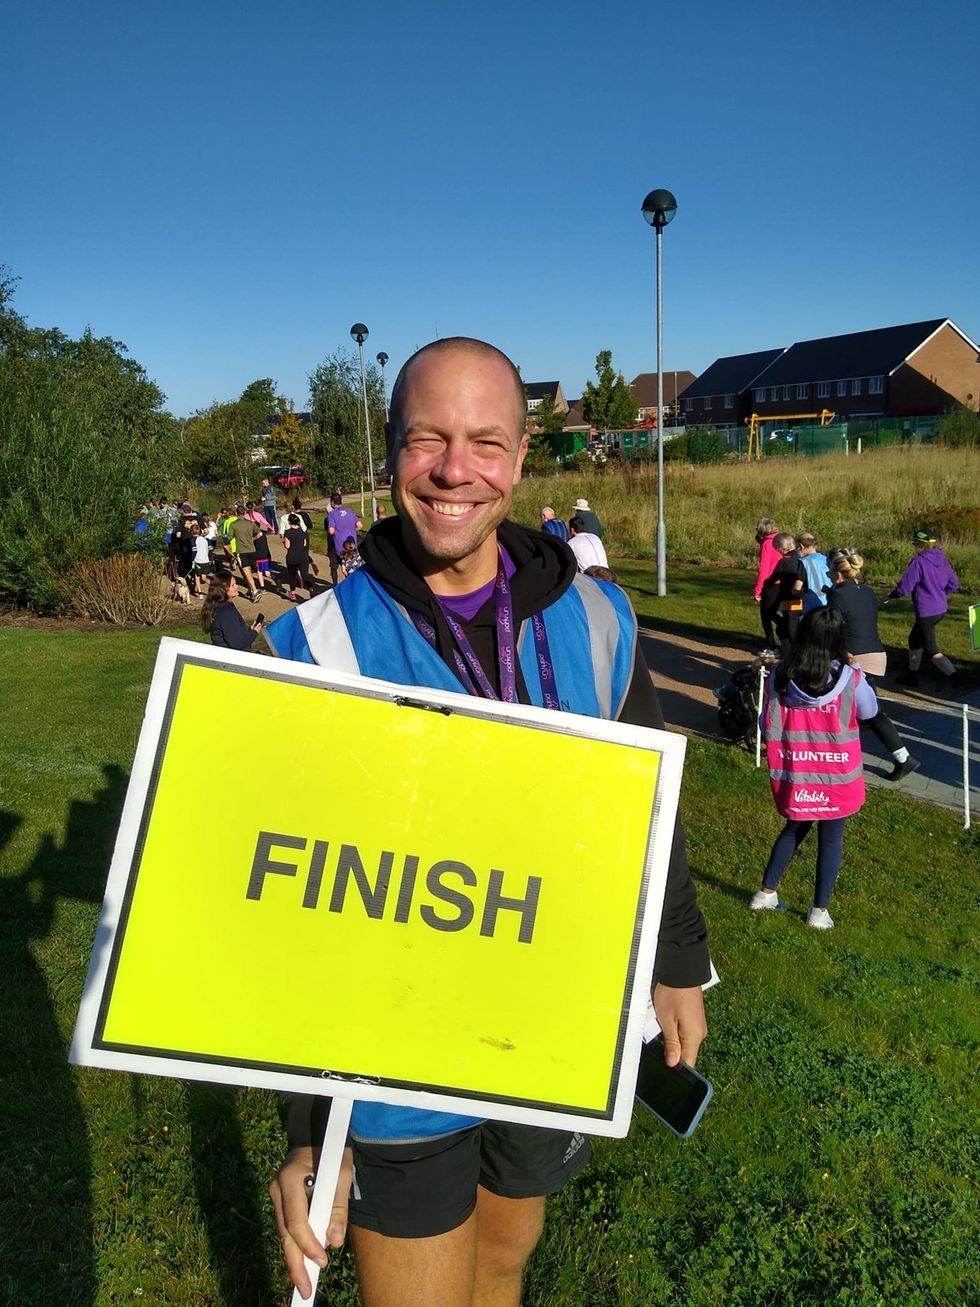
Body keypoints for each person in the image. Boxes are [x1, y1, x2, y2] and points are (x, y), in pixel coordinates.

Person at [265, 337, 709, 1307]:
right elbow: (290, 906)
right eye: (426, 438)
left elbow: (650, 797)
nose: (454, 469)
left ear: (518, 459)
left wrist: (675, 959)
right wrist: (311, 1126)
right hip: (393, 1055)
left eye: (484, 441)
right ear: (390, 454)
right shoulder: (312, 644)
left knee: (502, 1262)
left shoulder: (599, 617)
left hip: (550, 1018)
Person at [751, 607, 878, 929]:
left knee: (795, 828)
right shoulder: (851, 678)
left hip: (797, 771)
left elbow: (766, 723)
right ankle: (819, 912)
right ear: (839, 638)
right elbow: (869, 710)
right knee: (831, 839)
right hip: (838, 774)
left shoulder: (780, 677)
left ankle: (766, 892)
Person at [826, 548, 917, 781]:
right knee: (868, 710)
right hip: (876, 652)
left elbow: (835, 628)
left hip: (853, 656)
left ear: (837, 574)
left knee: (852, 710)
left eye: (829, 571)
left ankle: (901, 758)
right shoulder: (867, 591)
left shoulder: (837, 594)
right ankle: (901, 757)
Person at [885, 528, 960, 687]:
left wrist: (890, 596)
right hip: (940, 608)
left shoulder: (919, 562)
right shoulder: (943, 559)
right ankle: (912, 675)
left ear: (920, 545)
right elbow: (954, 584)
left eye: (915, 544)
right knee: (914, 640)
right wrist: (939, 593)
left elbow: (905, 587)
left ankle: (955, 678)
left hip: (927, 611)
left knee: (931, 649)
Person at [201, 573, 264, 650]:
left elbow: (232, 632)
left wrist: (248, 630)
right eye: (233, 585)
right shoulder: (225, 612)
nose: (236, 586)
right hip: (229, 657)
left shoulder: (221, 607)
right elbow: (238, 643)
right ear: (223, 590)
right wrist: (254, 632)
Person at [769, 533, 806, 652]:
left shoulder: (784, 561)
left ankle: (793, 653)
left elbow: (773, 578)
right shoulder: (802, 557)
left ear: (781, 547)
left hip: (789, 598)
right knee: (794, 625)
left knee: (790, 627)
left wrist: (766, 585)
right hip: (803, 597)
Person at [753, 517, 781, 651]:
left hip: (771, 582)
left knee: (766, 614)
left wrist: (758, 589)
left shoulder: (767, 543)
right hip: (783, 581)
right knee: (774, 611)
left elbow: (764, 568)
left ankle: (770, 645)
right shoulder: (780, 540)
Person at [225, 506, 262, 602]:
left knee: (247, 572)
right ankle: (250, 589)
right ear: (245, 513)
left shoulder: (234, 525)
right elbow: (259, 534)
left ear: (237, 513)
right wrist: (252, 539)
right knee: (248, 570)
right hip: (252, 550)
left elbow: (229, 537)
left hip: (242, 551)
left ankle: (254, 591)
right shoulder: (251, 523)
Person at [325, 493, 363, 584]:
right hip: (352, 544)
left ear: (332, 503)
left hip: (339, 545)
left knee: (336, 566)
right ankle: (353, 582)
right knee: (351, 566)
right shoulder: (350, 511)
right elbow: (360, 526)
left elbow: (331, 531)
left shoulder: (332, 514)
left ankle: (335, 584)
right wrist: (352, 530)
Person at [283, 512, 315, 602]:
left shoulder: (288, 532)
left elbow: (287, 546)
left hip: (292, 556)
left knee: (292, 576)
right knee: (305, 575)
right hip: (303, 556)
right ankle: (311, 589)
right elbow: (305, 543)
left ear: (289, 522)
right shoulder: (302, 531)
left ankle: (292, 593)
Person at [796, 532, 832, 612]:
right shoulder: (826, 559)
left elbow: (797, 588)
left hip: (812, 603)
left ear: (801, 546)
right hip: (830, 600)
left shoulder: (804, 562)